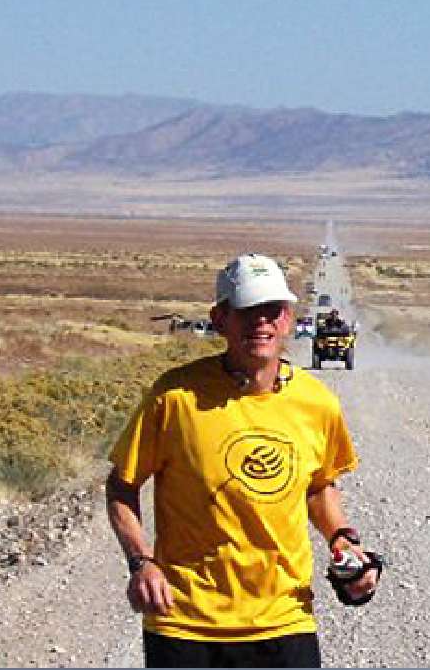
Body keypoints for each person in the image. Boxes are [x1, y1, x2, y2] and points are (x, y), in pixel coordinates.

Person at [105, 253, 380, 668]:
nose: (261, 322)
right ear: (220, 320)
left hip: (284, 622)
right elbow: (121, 485)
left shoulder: (317, 403)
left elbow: (320, 485)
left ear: (288, 319)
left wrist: (343, 539)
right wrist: (141, 562)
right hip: (185, 624)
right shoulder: (175, 397)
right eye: (247, 311)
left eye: (272, 311)